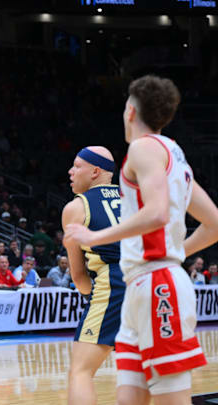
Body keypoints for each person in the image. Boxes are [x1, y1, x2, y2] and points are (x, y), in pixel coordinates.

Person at [66, 76, 218, 404]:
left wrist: (95, 235)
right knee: (129, 399)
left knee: (170, 400)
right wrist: (176, 253)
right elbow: (214, 224)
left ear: (131, 111)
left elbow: (158, 213)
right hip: (143, 284)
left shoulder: (144, 147)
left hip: (157, 284)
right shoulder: (173, 154)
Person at [61, 146, 126, 405]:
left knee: (81, 372)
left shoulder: (77, 208)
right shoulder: (136, 197)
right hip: (151, 281)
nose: (71, 171)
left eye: (77, 166)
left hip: (113, 286)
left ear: (95, 171)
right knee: (141, 372)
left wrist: (95, 296)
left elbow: (78, 276)